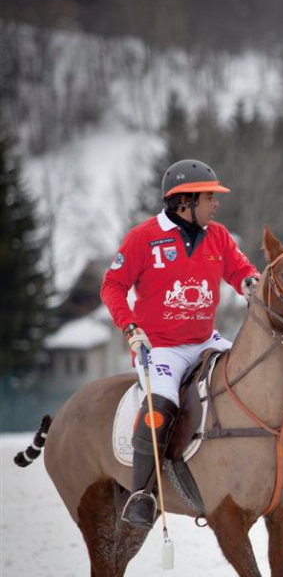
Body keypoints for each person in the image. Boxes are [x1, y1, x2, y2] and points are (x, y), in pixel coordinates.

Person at [101, 159, 260, 529]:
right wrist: (131, 328)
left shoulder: (218, 235)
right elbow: (112, 286)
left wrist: (251, 282)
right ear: (183, 201)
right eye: (209, 197)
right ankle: (143, 493)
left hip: (206, 340)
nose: (216, 204)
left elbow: (240, 269)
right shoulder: (143, 237)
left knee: (251, 378)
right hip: (160, 348)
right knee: (162, 405)